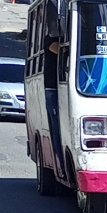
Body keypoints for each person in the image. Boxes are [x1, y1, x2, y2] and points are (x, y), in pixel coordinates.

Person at [44, 34, 66, 179]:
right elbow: (56, 49)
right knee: (57, 128)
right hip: (53, 89)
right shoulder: (50, 38)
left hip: (68, 86)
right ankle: (62, 166)